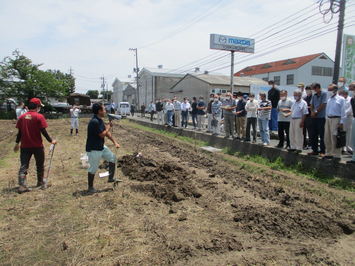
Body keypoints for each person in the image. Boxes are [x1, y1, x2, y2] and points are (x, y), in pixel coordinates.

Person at [14, 98, 57, 193]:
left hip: (25, 146)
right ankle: (40, 183)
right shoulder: (39, 116)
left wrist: (17, 143)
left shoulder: (22, 117)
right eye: (40, 107)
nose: (40, 108)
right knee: (40, 165)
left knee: (24, 165)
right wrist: (51, 141)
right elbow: (43, 131)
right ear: (37, 107)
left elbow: (20, 133)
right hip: (37, 146)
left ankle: (22, 185)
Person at [86, 103, 120, 193]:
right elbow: (102, 135)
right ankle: (90, 187)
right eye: (104, 110)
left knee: (113, 158)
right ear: (99, 111)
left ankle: (111, 178)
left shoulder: (99, 120)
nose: (105, 111)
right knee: (93, 168)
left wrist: (115, 142)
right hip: (94, 148)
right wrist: (108, 126)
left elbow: (106, 133)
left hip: (100, 146)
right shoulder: (94, 122)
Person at [323, 84, 346, 160]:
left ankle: (337, 154)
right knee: (327, 137)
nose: (329, 91)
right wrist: (326, 118)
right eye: (328, 90)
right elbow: (327, 110)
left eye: (330, 90)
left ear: (335, 90)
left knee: (335, 137)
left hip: (336, 119)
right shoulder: (329, 99)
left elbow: (343, 111)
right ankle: (329, 153)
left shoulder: (341, 99)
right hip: (328, 119)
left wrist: (341, 122)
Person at [308, 83, 327, 156]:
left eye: (314, 89)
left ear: (318, 88)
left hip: (321, 117)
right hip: (314, 117)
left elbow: (323, 104)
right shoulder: (314, 95)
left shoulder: (324, 94)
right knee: (313, 134)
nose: (313, 90)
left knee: (322, 135)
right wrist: (312, 112)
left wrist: (316, 112)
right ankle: (314, 150)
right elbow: (311, 105)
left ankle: (322, 151)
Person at [339, 90, 353, 154]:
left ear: (345, 94)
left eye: (341, 94)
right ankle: (342, 147)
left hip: (348, 118)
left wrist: (343, 114)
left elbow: (350, 109)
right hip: (342, 118)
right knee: (342, 132)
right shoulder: (341, 99)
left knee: (348, 133)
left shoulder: (350, 99)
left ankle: (348, 147)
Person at [347, 82, 355, 164]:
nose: (350, 89)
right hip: (354, 118)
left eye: (351, 87)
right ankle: (353, 158)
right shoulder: (352, 98)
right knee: (353, 139)